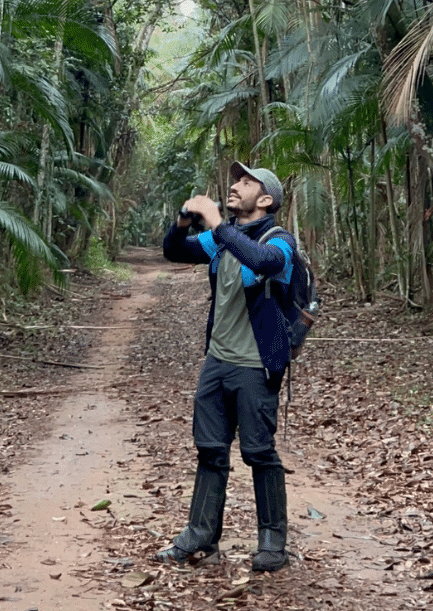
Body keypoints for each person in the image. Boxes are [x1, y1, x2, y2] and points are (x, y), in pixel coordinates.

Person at [155, 161, 295, 573]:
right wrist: (182, 222)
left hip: (255, 366)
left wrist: (217, 223)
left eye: (247, 182)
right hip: (217, 363)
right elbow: (174, 251)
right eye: (236, 180)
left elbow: (263, 262)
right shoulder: (221, 241)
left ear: (265, 200)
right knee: (210, 450)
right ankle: (199, 538)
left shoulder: (280, 242)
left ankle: (272, 543)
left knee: (258, 452)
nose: (236, 185)